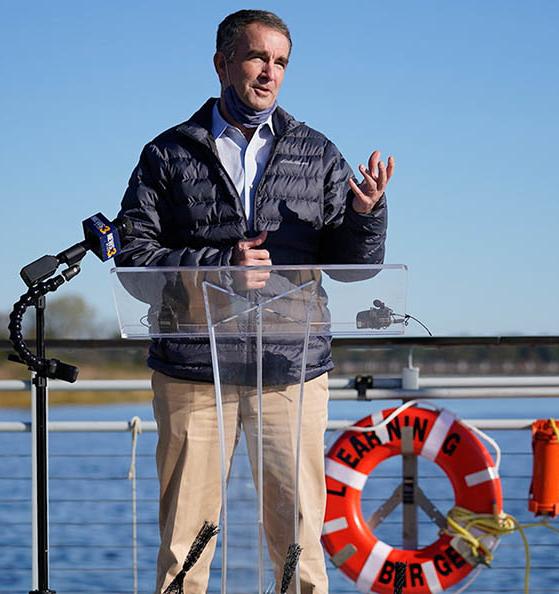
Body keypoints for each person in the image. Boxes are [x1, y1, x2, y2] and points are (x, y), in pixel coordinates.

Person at [114, 9, 394, 594]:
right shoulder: (166, 154)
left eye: (281, 62)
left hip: (289, 372)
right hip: (192, 370)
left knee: (299, 546)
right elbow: (133, 259)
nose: (269, 72)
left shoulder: (318, 152)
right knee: (184, 552)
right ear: (222, 63)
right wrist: (220, 269)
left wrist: (366, 216)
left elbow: (355, 268)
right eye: (257, 57)